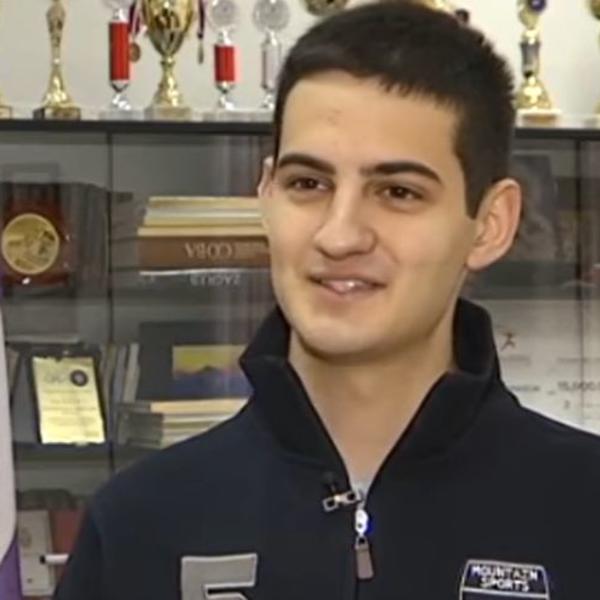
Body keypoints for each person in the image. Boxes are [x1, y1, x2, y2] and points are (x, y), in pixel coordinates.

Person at [54, 2, 600, 599]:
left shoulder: (583, 508)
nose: (339, 236)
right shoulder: (138, 524)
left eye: (398, 192)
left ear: (491, 224)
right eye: (308, 184)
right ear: (265, 197)